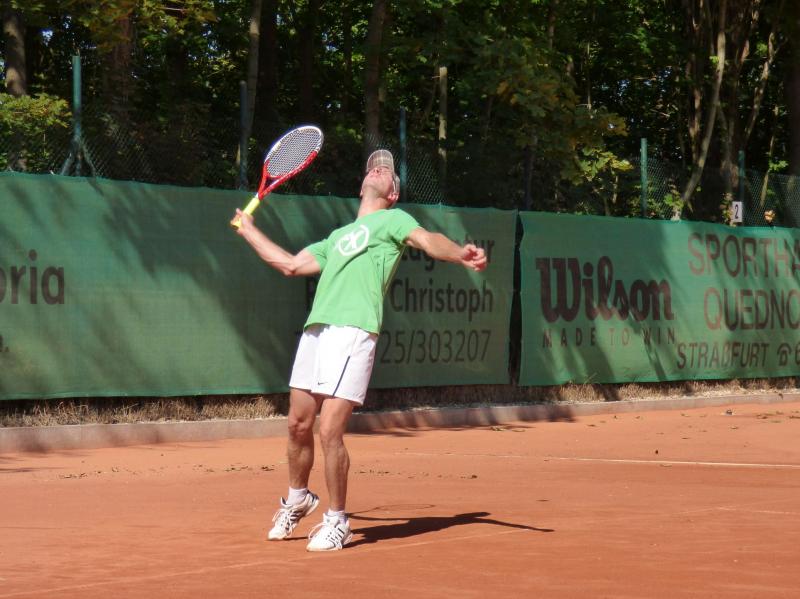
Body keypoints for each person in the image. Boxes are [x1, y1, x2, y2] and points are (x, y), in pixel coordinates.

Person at [233, 149, 487, 551]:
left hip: (354, 330)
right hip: (316, 330)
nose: (378, 169)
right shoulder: (336, 238)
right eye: (373, 166)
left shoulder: (394, 221)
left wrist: (459, 253)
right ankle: (298, 498)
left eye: (386, 170)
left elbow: (427, 240)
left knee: (329, 428)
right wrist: (249, 231)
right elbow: (290, 265)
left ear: (393, 194)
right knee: (298, 423)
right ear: (362, 183)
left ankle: (338, 521)